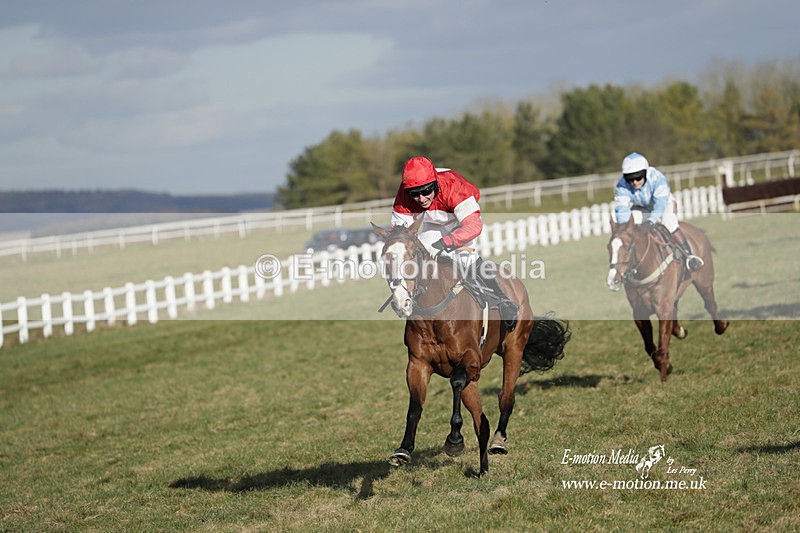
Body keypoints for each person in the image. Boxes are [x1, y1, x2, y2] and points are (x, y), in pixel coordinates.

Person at [390, 156, 518, 330]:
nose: (421, 198)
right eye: (415, 193)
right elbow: (400, 234)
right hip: (432, 223)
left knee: (466, 258)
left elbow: (474, 226)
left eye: (426, 191)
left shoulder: (453, 186)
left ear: (434, 184)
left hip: (460, 221)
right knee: (420, 255)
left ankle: (503, 300)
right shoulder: (404, 194)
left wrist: (445, 243)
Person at [614, 152, 704, 272]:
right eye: (630, 179)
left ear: (645, 173)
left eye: (638, 178)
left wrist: (652, 221)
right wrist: (625, 227)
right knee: (629, 225)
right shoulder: (621, 186)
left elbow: (660, 204)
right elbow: (622, 209)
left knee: (668, 224)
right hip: (641, 207)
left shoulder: (657, 177)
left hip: (663, 204)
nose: (634, 182)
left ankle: (689, 256)